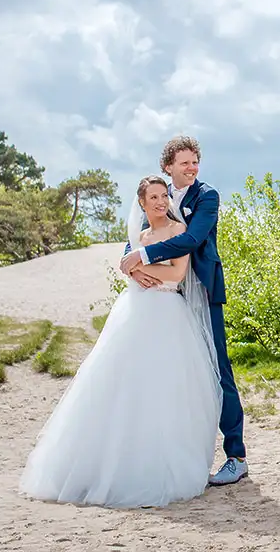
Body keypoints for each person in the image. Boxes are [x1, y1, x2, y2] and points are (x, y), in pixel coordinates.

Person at [18, 175, 221, 508]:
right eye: (152, 197)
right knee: (122, 383)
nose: (159, 202)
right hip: (136, 311)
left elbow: (176, 275)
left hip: (169, 313)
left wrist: (143, 268)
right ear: (141, 203)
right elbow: (131, 266)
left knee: (165, 388)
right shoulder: (139, 236)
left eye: (163, 196)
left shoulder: (177, 231)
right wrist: (136, 270)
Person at [118, 135, 248, 486]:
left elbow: (192, 240)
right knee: (171, 374)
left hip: (202, 293)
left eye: (195, 162)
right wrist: (130, 261)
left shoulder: (207, 197)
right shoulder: (158, 194)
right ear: (168, 166)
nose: (192, 168)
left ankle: (236, 456)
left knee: (219, 369)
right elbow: (139, 237)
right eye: (184, 162)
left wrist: (142, 259)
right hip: (168, 299)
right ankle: (173, 452)